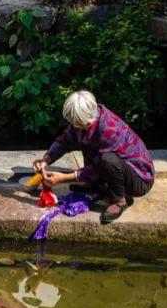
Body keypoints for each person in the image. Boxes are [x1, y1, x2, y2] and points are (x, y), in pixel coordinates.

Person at [32, 91, 155, 224]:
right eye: (73, 122)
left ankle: (119, 199)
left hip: (139, 179)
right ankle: (97, 185)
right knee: (88, 143)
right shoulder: (85, 120)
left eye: (77, 122)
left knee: (107, 160)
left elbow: (97, 167)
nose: (74, 126)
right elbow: (65, 140)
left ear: (88, 116)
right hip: (114, 168)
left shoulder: (109, 129)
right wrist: (46, 159)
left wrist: (63, 178)